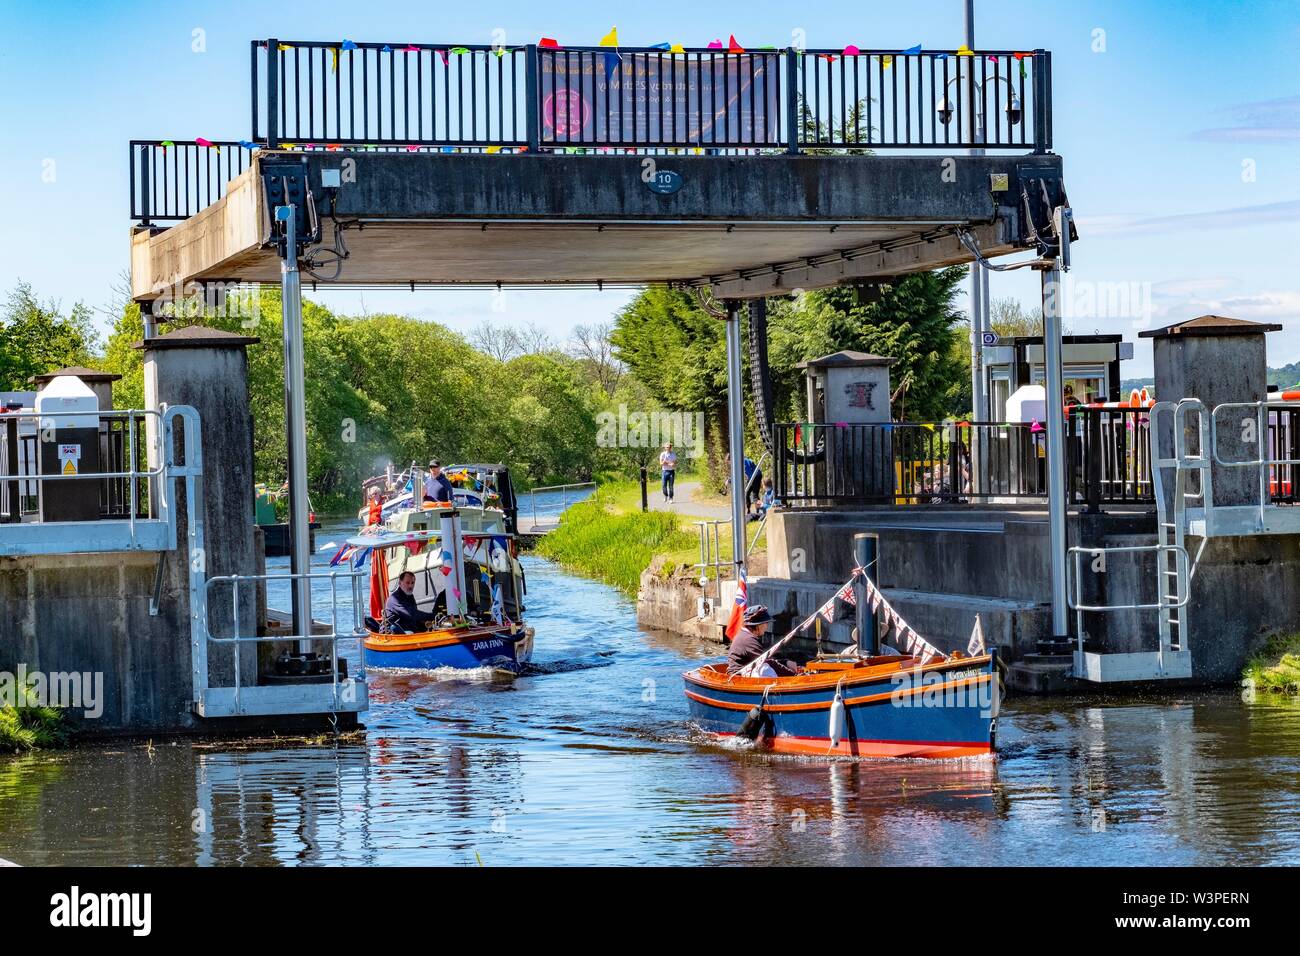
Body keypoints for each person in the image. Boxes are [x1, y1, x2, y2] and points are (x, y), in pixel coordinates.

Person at [727, 605, 799, 676]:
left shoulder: (744, 635)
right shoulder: (749, 640)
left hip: (743, 674)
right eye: (766, 623)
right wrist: (792, 674)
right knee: (765, 668)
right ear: (758, 625)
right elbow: (766, 662)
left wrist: (785, 662)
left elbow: (766, 660)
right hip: (739, 678)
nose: (767, 626)